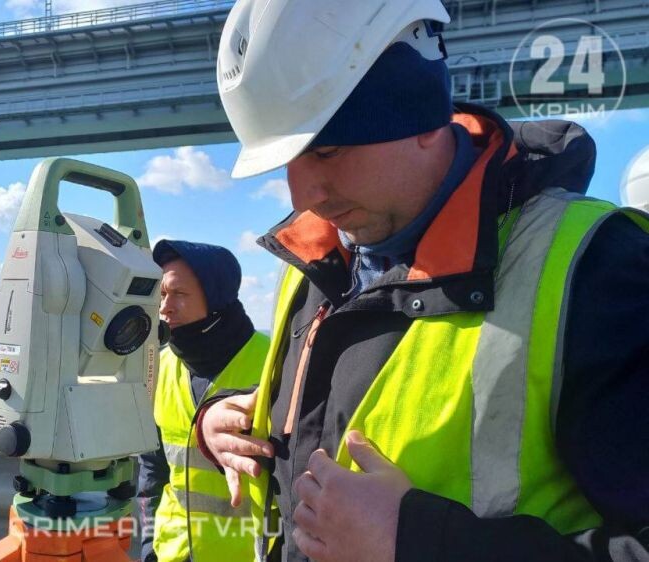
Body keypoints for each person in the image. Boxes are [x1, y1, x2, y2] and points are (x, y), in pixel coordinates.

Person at [194, 1, 649, 561]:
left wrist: (420, 542)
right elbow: (338, 420)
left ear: (417, 110)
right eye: (284, 162)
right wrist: (226, 424)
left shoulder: (599, 271)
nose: (302, 195)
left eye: (329, 149)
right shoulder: (321, 259)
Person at [138, 240, 270, 562]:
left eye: (179, 294)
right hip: (171, 553)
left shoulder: (273, 363)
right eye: (162, 295)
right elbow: (152, 470)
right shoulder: (160, 365)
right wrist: (148, 545)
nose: (165, 307)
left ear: (216, 299)